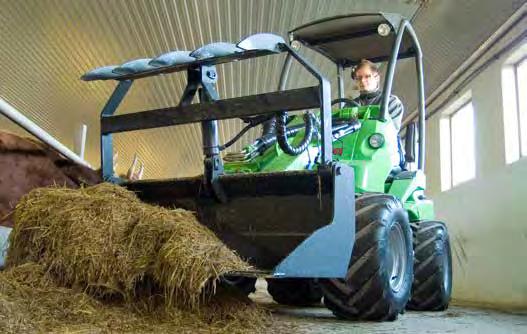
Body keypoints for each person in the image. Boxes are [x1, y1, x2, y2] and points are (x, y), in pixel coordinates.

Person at [351, 59, 404, 131]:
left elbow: (390, 132)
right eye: (359, 78)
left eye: (367, 76)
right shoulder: (351, 105)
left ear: (377, 78)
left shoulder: (391, 102)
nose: (362, 81)